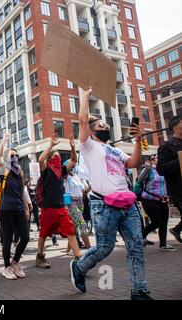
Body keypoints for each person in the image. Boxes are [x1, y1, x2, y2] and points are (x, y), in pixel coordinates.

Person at [70, 87, 152, 300]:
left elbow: (133, 163)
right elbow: (81, 122)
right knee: (105, 248)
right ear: (92, 131)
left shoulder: (114, 150)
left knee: (136, 247)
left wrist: (137, 143)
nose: (105, 125)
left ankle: (139, 291)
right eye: (100, 124)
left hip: (127, 205)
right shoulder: (88, 146)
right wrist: (86, 97)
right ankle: (79, 267)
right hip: (104, 205)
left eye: (105, 124)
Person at [36, 135, 82, 269]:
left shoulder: (61, 171)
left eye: (59, 157)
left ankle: (78, 257)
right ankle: (40, 256)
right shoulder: (46, 171)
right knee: (43, 234)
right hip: (48, 209)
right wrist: (51, 145)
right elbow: (40, 159)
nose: (58, 159)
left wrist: (73, 148)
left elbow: (74, 160)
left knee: (71, 231)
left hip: (61, 208)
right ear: (50, 160)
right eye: (55, 157)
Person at [0, 133, 30, 280]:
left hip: (19, 209)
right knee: (7, 239)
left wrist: (27, 208)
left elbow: (22, 192)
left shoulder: (20, 172)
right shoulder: (5, 170)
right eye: (11, 155)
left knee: (26, 237)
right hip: (6, 210)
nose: (14, 157)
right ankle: (6, 267)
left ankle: (15, 262)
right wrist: (4, 141)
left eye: (16, 155)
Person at [139, 155, 175, 252]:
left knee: (164, 222)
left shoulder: (164, 170)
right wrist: (146, 168)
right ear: (152, 161)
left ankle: (163, 244)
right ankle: (141, 237)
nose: (159, 159)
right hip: (149, 199)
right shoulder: (149, 169)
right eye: (156, 158)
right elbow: (140, 179)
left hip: (163, 199)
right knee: (157, 221)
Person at [157, 115, 182, 244]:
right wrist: (180, 160)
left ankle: (177, 230)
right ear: (176, 128)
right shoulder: (166, 146)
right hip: (178, 189)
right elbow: (161, 169)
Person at [63, 161, 92, 253]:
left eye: (75, 165)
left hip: (80, 202)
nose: (75, 167)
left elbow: (82, 191)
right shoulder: (66, 177)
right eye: (73, 165)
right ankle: (89, 249)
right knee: (82, 224)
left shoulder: (77, 177)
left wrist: (90, 187)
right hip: (71, 202)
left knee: (75, 226)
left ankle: (68, 248)